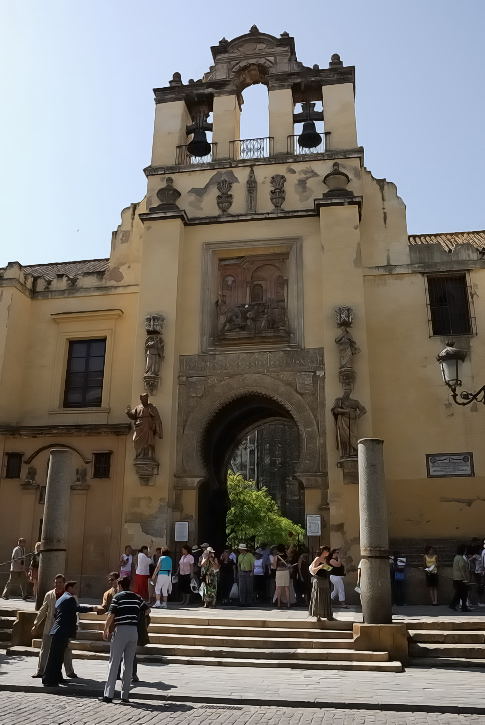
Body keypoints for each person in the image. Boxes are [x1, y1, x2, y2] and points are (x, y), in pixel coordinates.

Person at [101, 576, 148, 704]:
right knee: (128, 665)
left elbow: (111, 614)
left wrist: (105, 629)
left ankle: (108, 695)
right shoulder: (137, 597)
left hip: (121, 630)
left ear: (120, 586)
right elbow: (147, 610)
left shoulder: (118, 597)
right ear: (130, 585)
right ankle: (125, 695)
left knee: (114, 662)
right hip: (133, 632)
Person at [42, 581, 95, 687]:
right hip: (61, 631)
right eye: (74, 588)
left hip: (59, 631)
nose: (76, 590)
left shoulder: (61, 598)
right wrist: (93, 608)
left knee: (58, 656)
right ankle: (49, 679)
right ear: (69, 588)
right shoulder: (69, 598)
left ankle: (57, 677)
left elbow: (57, 614)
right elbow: (77, 608)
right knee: (55, 657)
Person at [31, 574, 76, 679]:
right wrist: (36, 624)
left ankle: (70, 671)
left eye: (60, 582)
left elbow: (74, 612)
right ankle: (40, 671)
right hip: (49, 626)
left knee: (66, 650)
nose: (58, 584)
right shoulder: (49, 594)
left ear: (64, 583)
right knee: (44, 649)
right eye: (56, 582)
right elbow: (43, 609)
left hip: (63, 628)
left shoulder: (68, 596)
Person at [309, 546, 334, 621]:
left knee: (325, 597)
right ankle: (318, 616)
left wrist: (328, 567)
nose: (328, 552)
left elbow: (328, 569)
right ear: (323, 551)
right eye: (327, 551)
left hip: (325, 580)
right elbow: (313, 571)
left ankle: (328, 615)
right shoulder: (317, 559)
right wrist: (320, 566)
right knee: (318, 597)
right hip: (318, 580)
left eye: (328, 551)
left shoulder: (325, 559)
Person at [450, 544, 470, 612]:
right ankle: (461, 606)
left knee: (459, 593)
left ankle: (455, 605)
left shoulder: (456, 557)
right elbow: (462, 569)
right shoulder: (461, 558)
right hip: (461, 579)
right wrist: (466, 579)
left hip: (456, 578)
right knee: (463, 594)